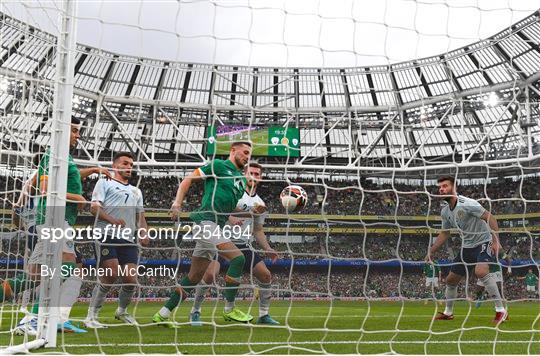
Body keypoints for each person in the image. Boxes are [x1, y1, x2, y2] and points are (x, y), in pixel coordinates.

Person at [1, 116, 111, 333]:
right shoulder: (54, 154)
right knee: (68, 266)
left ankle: (48, 318)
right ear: (61, 132)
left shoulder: (64, 157)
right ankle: (32, 319)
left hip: (57, 219)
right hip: (55, 218)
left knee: (33, 277)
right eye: (74, 131)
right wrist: (78, 199)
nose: (78, 136)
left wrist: (92, 170)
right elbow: (45, 187)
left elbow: (67, 176)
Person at [152, 141, 258, 327]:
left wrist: (252, 211)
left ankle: (162, 314)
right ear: (233, 151)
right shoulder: (218, 165)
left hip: (216, 226)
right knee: (238, 259)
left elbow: (230, 207)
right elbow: (188, 179)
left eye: (249, 154)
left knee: (193, 278)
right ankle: (229, 310)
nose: (247, 156)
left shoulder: (241, 180)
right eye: (245, 152)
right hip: (205, 222)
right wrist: (177, 203)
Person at [189, 161, 279, 326]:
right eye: (250, 173)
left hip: (242, 244)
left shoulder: (260, 204)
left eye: (257, 174)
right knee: (209, 275)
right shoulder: (233, 190)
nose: (253, 176)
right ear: (244, 174)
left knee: (265, 275)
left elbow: (257, 230)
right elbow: (218, 207)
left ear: (261, 178)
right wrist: (231, 217)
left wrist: (267, 248)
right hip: (219, 239)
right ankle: (195, 311)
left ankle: (264, 315)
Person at [426, 176, 507, 324]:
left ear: (453, 188)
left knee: (481, 272)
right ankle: (448, 312)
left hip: (484, 242)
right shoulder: (445, 211)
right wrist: (431, 251)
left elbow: (491, 218)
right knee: (450, 280)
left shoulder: (468, 204)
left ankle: (501, 310)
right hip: (467, 246)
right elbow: (445, 233)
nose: (441, 189)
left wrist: (496, 242)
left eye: (445, 186)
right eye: (440, 187)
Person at [84, 152, 148, 328]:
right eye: (125, 163)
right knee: (110, 274)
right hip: (106, 234)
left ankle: (122, 311)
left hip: (128, 239)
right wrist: (112, 220)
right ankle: (91, 316)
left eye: (131, 165)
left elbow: (140, 216)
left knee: (130, 278)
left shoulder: (137, 191)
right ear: (115, 166)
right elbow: (93, 208)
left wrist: (144, 231)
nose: (129, 167)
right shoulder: (105, 182)